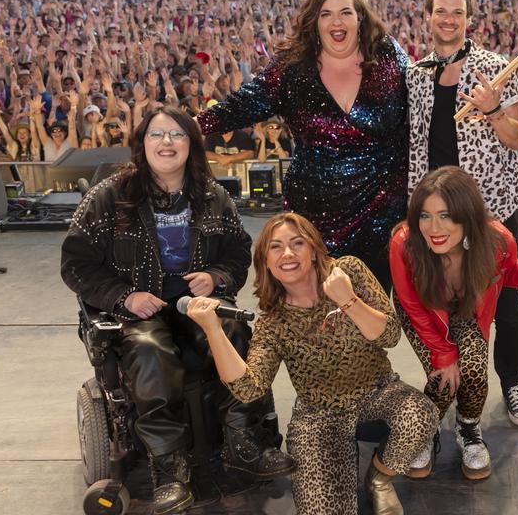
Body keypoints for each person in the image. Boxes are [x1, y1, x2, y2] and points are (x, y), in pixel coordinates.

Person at [60, 105, 294, 515]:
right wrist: (124, 297)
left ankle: (243, 441)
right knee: (151, 350)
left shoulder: (212, 195)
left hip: (195, 303)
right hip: (139, 310)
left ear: (191, 145)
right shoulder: (110, 197)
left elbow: (239, 255)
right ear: (142, 143)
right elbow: (76, 266)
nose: (167, 142)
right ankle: (169, 469)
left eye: (177, 135)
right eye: (157, 135)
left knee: (235, 332)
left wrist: (216, 276)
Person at [186, 212, 439, 515]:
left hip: (377, 392)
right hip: (318, 416)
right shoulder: (274, 322)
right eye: (276, 247)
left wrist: (348, 301)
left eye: (297, 243)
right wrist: (213, 329)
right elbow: (247, 389)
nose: (288, 254)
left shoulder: (348, 271)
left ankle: (380, 478)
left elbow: (389, 335)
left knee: (420, 414)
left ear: (314, 250)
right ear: (265, 262)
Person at [199, 0, 409, 290]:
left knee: (369, 312)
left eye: (345, 13)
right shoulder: (292, 67)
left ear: (360, 18)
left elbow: (424, 98)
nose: (336, 22)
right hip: (314, 213)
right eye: (326, 14)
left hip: (380, 212)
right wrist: (190, 125)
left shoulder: (388, 55)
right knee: (314, 311)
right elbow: (245, 103)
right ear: (314, 22)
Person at [406, 0, 518, 428]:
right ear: (427, 17)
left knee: (507, 302)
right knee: (446, 303)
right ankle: (458, 386)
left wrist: (494, 109)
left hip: (490, 207)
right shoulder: (416, 74)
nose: (448, 19)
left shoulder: (494, 67)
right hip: (437, 215)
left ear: (468, 17)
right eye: (440, 11)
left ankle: (513, 384)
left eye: (457, 12)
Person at [390, 167, 518, 479]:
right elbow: (411, 304)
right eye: (425, 215)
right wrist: (444, 354)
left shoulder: (498, 238)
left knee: (472, 371)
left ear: (467, 214)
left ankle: (469, 428)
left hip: (466, 309)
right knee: (444, 375)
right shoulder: (404, 243)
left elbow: (507, 268)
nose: (433, 227)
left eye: (446, 215)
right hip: (424, 310)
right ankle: (426, 430)